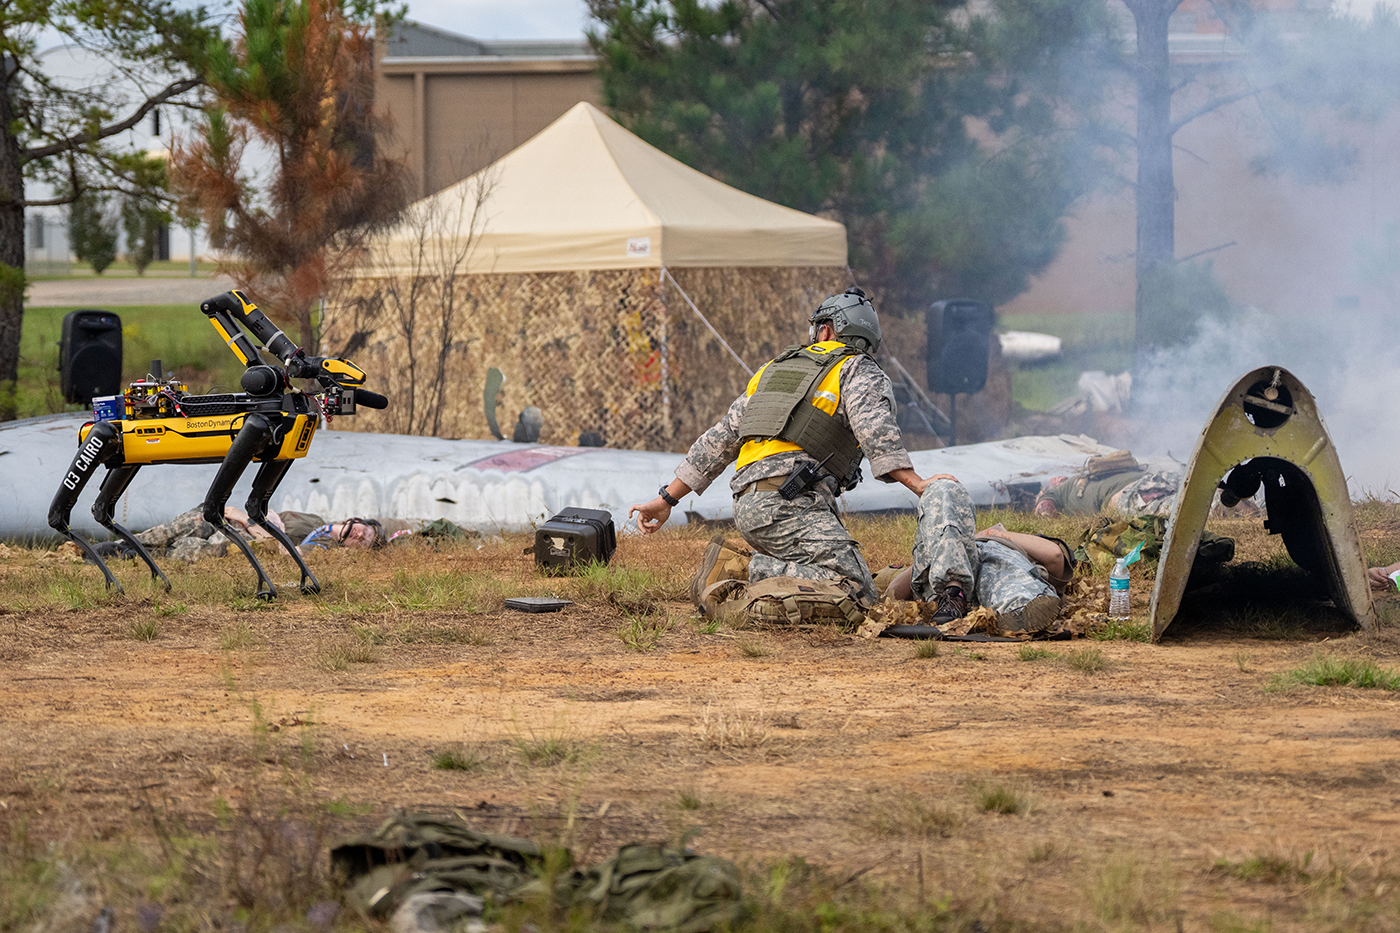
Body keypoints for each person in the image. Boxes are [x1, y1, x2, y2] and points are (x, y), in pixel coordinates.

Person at [628, 287, 940, 609]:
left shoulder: (772, 370)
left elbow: (720, 439)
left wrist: (666, 499)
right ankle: (744, 569)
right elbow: (877, 432)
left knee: (836, 575)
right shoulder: (858, 369)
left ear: (825, 330)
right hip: (790, 504)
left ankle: (769, 569)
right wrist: (918, 484)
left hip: (749, 503)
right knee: (858, 591)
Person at [884, 478, 1071, 631]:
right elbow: (892, 595)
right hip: (946, 592)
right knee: (943, 487)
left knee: (1008, 576)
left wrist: (993, 534)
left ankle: (1022, 609)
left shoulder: (1010, 551)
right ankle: (954, 593)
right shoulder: (948, 551)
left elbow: (1054, 555)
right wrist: (940, 551)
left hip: (996, 574)